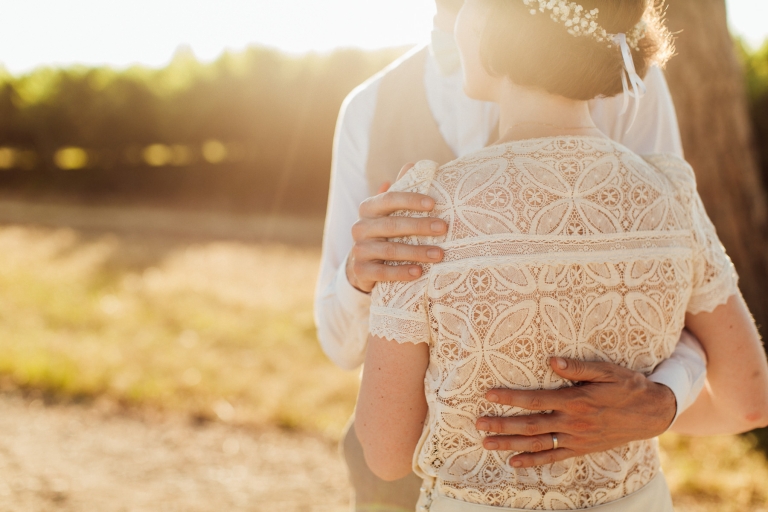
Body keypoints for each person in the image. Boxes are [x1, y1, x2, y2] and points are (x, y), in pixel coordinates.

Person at [354, 0, 768, 510]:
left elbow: (386, 453)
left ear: (494, 27)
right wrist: (662, 403)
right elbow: (750, 402)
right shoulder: (670, 194)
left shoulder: (425, 209)